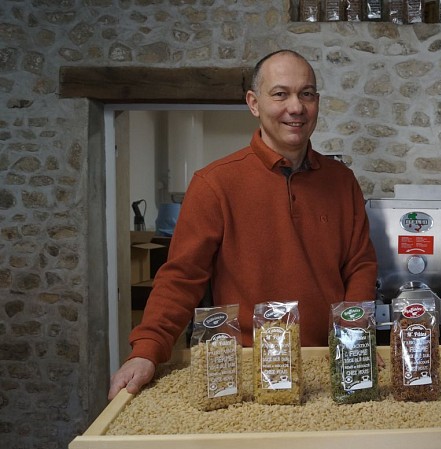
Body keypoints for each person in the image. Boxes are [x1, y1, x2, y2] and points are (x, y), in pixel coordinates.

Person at [109, 50, 377, 400]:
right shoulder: (214, 183)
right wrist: (147, 349)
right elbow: (181, 277)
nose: (296, 107)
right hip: (246, 370)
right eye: (280, 93)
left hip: (327, 364)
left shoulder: (341, 181)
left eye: (306, 93)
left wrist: (353, 341)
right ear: (253, 103)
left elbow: (360, 265)